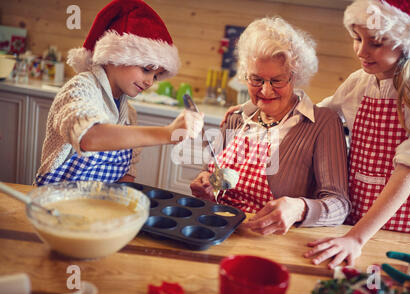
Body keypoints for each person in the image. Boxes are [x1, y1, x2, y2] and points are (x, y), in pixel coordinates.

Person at [303, 0, 410, 268]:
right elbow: (315, 116)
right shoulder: (359, 82)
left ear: (407, 42)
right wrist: (252, 109)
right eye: (356, 38)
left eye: (376, 42)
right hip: (353, 217)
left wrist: (358, 238)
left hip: (403, 224)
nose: (361, 50)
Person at [190, 17, 351, 235]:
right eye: (256, 80)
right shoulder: (236, 118)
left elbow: (339, 205)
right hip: (217, 231)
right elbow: (210, 172)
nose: (265, 91)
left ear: (295, 77)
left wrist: (300, 208)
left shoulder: (322, 124)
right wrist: (206, 183)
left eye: (277, 80)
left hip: (270, 241)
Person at [35, 0, 203, 186]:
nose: (149, 82)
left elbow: (128, 171)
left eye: (156, 76)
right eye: (147, 69)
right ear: (115, 55)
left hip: (99, 207)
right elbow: (89, 137)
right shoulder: (81, 88)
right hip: (56, 202)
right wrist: (167, 133)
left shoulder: (129, 114)